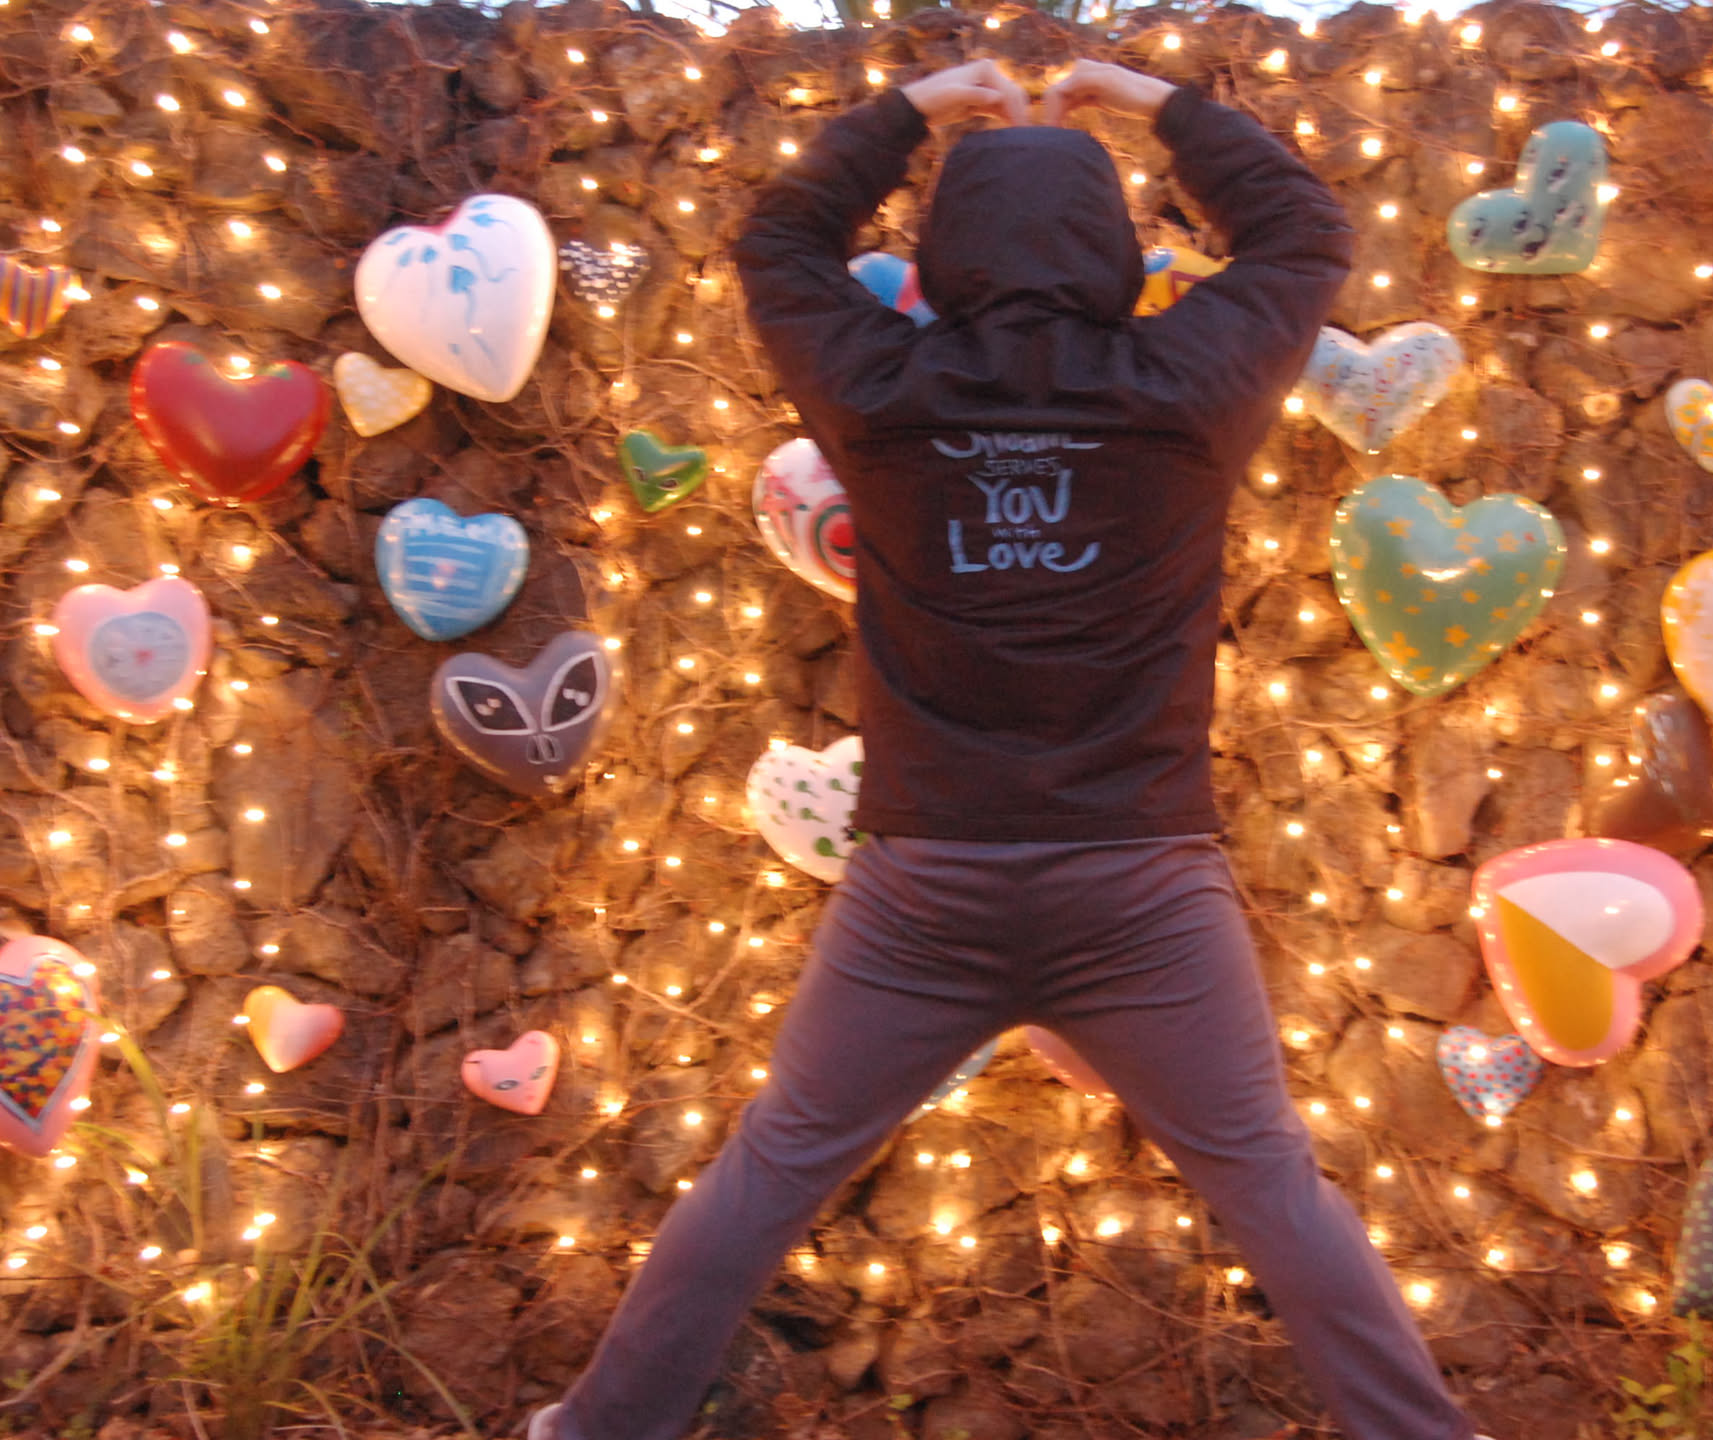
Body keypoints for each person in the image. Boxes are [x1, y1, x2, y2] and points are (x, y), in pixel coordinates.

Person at [533, 57, 1481, 1440]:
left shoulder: (882, 384)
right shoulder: (1186, 379)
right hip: (1141, 889)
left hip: (924, 891)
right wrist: (1148, 100)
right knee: (1272, 1186)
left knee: (774, 1168)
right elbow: (1302, 233)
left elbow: (780, 239)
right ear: (1111, 251)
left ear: (941, 256)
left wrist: (920, 108)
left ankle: (595, 1431)